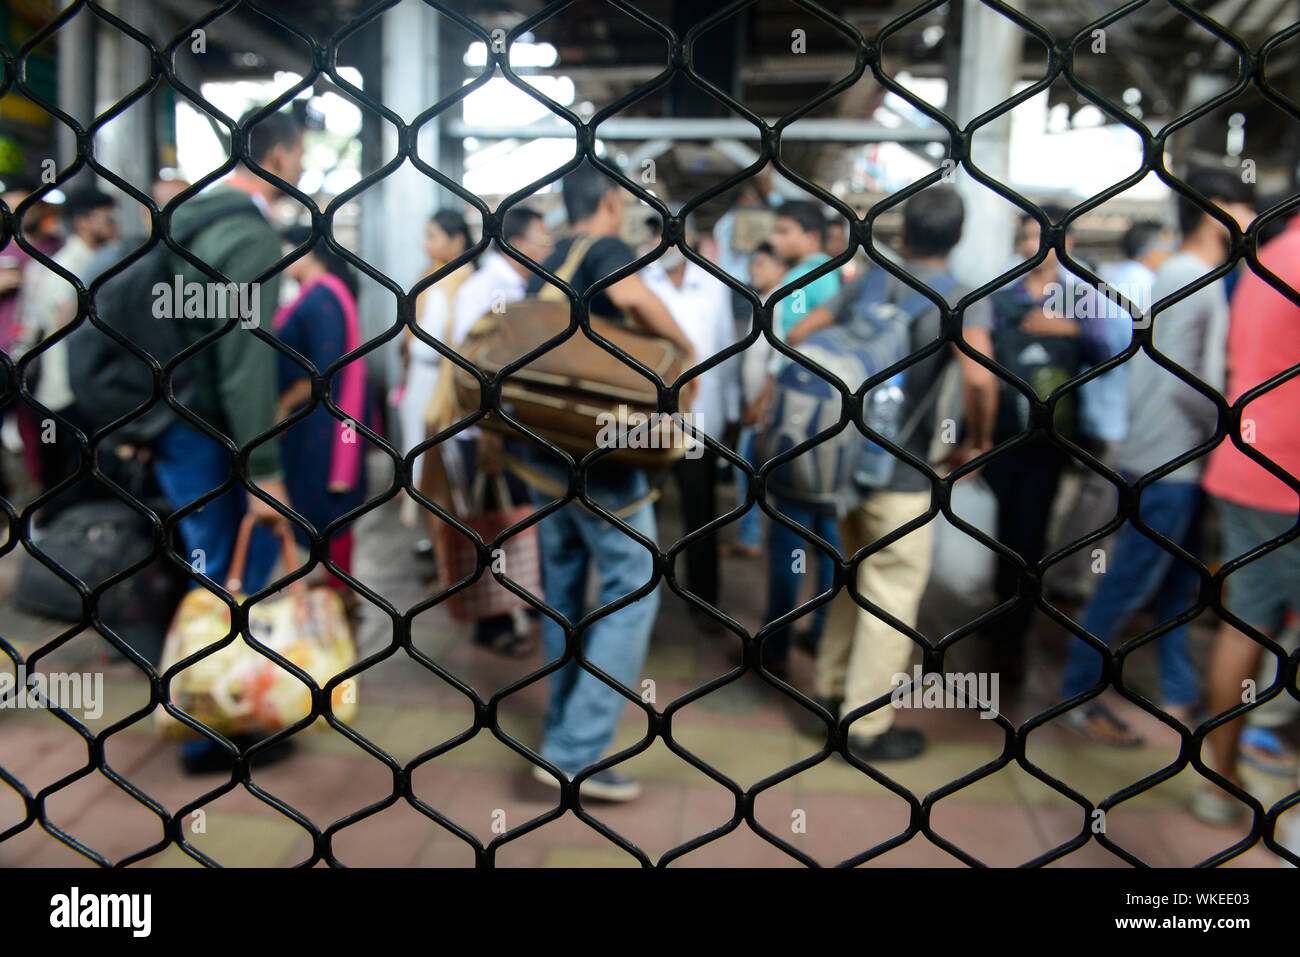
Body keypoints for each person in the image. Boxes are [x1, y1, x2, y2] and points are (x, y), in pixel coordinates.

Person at [786, 186, 997, 760]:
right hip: (904, 475)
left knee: (852, 582)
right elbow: (978, 378)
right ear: (957, 237)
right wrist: (976, 442)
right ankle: (867, 728)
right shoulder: (960, 296)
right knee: (892, 595)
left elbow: (803, 337)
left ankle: (830, 695)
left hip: (846, 463)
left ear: (901, 235)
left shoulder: (871, 281)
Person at [1059, 170, 1254, 746]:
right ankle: (1078, 694)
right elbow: (1185, 382)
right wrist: (1228, 427)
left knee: (1176, 584)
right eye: (1243, 205)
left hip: (1172, 457)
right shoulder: (1191, 276)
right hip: (1172, 462)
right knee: (1127, 582)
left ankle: (1179, 690)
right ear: (1218, 206)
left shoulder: (1183, 272)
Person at [521, 162, 693, 802]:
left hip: (542, 444)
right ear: (613, 202)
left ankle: (558, 730)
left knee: (564, 586)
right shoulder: (607, 248)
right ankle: (572, 752)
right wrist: (689, 349)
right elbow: (633, 300)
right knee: (636, 583)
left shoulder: (551, 255)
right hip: (599, 454)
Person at [151, 107, 303, 773]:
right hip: (214, 433)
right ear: (276, 155)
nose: (300, 167)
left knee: (207, 569)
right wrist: (264, 469)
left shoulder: (186, 218)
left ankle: (219, 714)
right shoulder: (248, 237)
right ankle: (210, 732)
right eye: (298, 153)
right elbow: (244, 362)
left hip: (171, 420)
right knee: (228, 581)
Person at [1195, 202, 1300, 826]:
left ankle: (1218, 781)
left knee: (1246, 623)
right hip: (1292, 474)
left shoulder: (1268, 256)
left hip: (1246, 461)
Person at [980, 205, 1111, 688]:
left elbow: (1107, 349)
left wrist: (1068, 328)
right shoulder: (999, 297)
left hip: (1049, 438)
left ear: (1068, 244)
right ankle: (996, 617)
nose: (1038, 246)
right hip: (1000, 436)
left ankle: (1015, 632)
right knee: (999, 531)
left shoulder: (1081, 297)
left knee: (1031, 534)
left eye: (1049, 236)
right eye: (1030, 235)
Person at [1046, 220, 1174, 602]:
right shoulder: (1143, 287)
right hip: (1117, 414)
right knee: (1100, 498)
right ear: (1151, 249)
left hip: (1099, 406)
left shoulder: (1110, 280)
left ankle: (1068, 572)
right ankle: (1067, 578)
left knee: (1095, 495)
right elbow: (1128, 351)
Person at [446, 204, 552, 656]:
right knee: (493, 526)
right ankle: (493, 625)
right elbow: (475, 366)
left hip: (507, 428)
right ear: (521, 243)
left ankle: (517, 610)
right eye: (543, 239)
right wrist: (489, 432)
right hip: (488, 432)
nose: (547, 249)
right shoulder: (489, 287)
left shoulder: (511, 285)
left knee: (510, 520)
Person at [745, 200, 843, 674]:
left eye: (784, 232)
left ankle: (776, 644)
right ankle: (823, 630)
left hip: (798, 420)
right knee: (828, 531)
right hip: (838, 420)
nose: (777, 240)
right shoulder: (846, 277)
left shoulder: (802, 280)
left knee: (787, 533)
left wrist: (769, 414)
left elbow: (789, 351)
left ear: (808, 235)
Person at [273, 225, 369, 605]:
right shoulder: (316, 294)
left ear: (307, 251)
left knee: (327, 497)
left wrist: (284, 404)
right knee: (314, 497)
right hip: (313, 417)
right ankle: (330, 585)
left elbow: (326, 370)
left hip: (325, 419)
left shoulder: (324, 298)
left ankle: (338, 590)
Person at [19, 187, 120, 520]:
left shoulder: (92, 259)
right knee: (73, 472)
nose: (113, 225)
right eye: (106, 218)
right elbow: (64, 323)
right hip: (69, 389)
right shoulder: (67, 266)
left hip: (86, 384)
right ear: (82, 222)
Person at [400, 209, 472, 557]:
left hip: (434, 388)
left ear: (457, 240)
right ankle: (444, 550)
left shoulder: (445, 281)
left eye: (433, 236)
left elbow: (427, 347)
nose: (425, 243)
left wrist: (410, 342)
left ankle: (447, 555)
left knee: (434, 473)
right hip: (442, 386)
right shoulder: (461, 277)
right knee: (442, 471)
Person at [726, 241, 783, 559]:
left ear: (779, 267)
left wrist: (760, 404)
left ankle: (751, 539)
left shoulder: (783, 303)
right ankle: (751, 537)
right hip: (757, 409)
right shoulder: (762, 302)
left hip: (765, 412)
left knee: (747, 472)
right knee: (748, 473)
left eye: (760, 264)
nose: (752, 270)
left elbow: (779, 361)